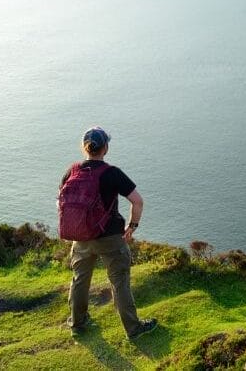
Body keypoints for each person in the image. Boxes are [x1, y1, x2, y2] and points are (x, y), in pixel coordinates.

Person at [60, 126, 158, 338]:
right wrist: (132, 227)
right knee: (119, 281)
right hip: (110, 238)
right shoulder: (112, 173)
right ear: (105, 148)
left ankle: (77, 323)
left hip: (81, 238)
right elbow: (137, 202)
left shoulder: (72, 171)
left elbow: (63, 201)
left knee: (79, 280)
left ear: (84, 147)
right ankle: (133, 329)